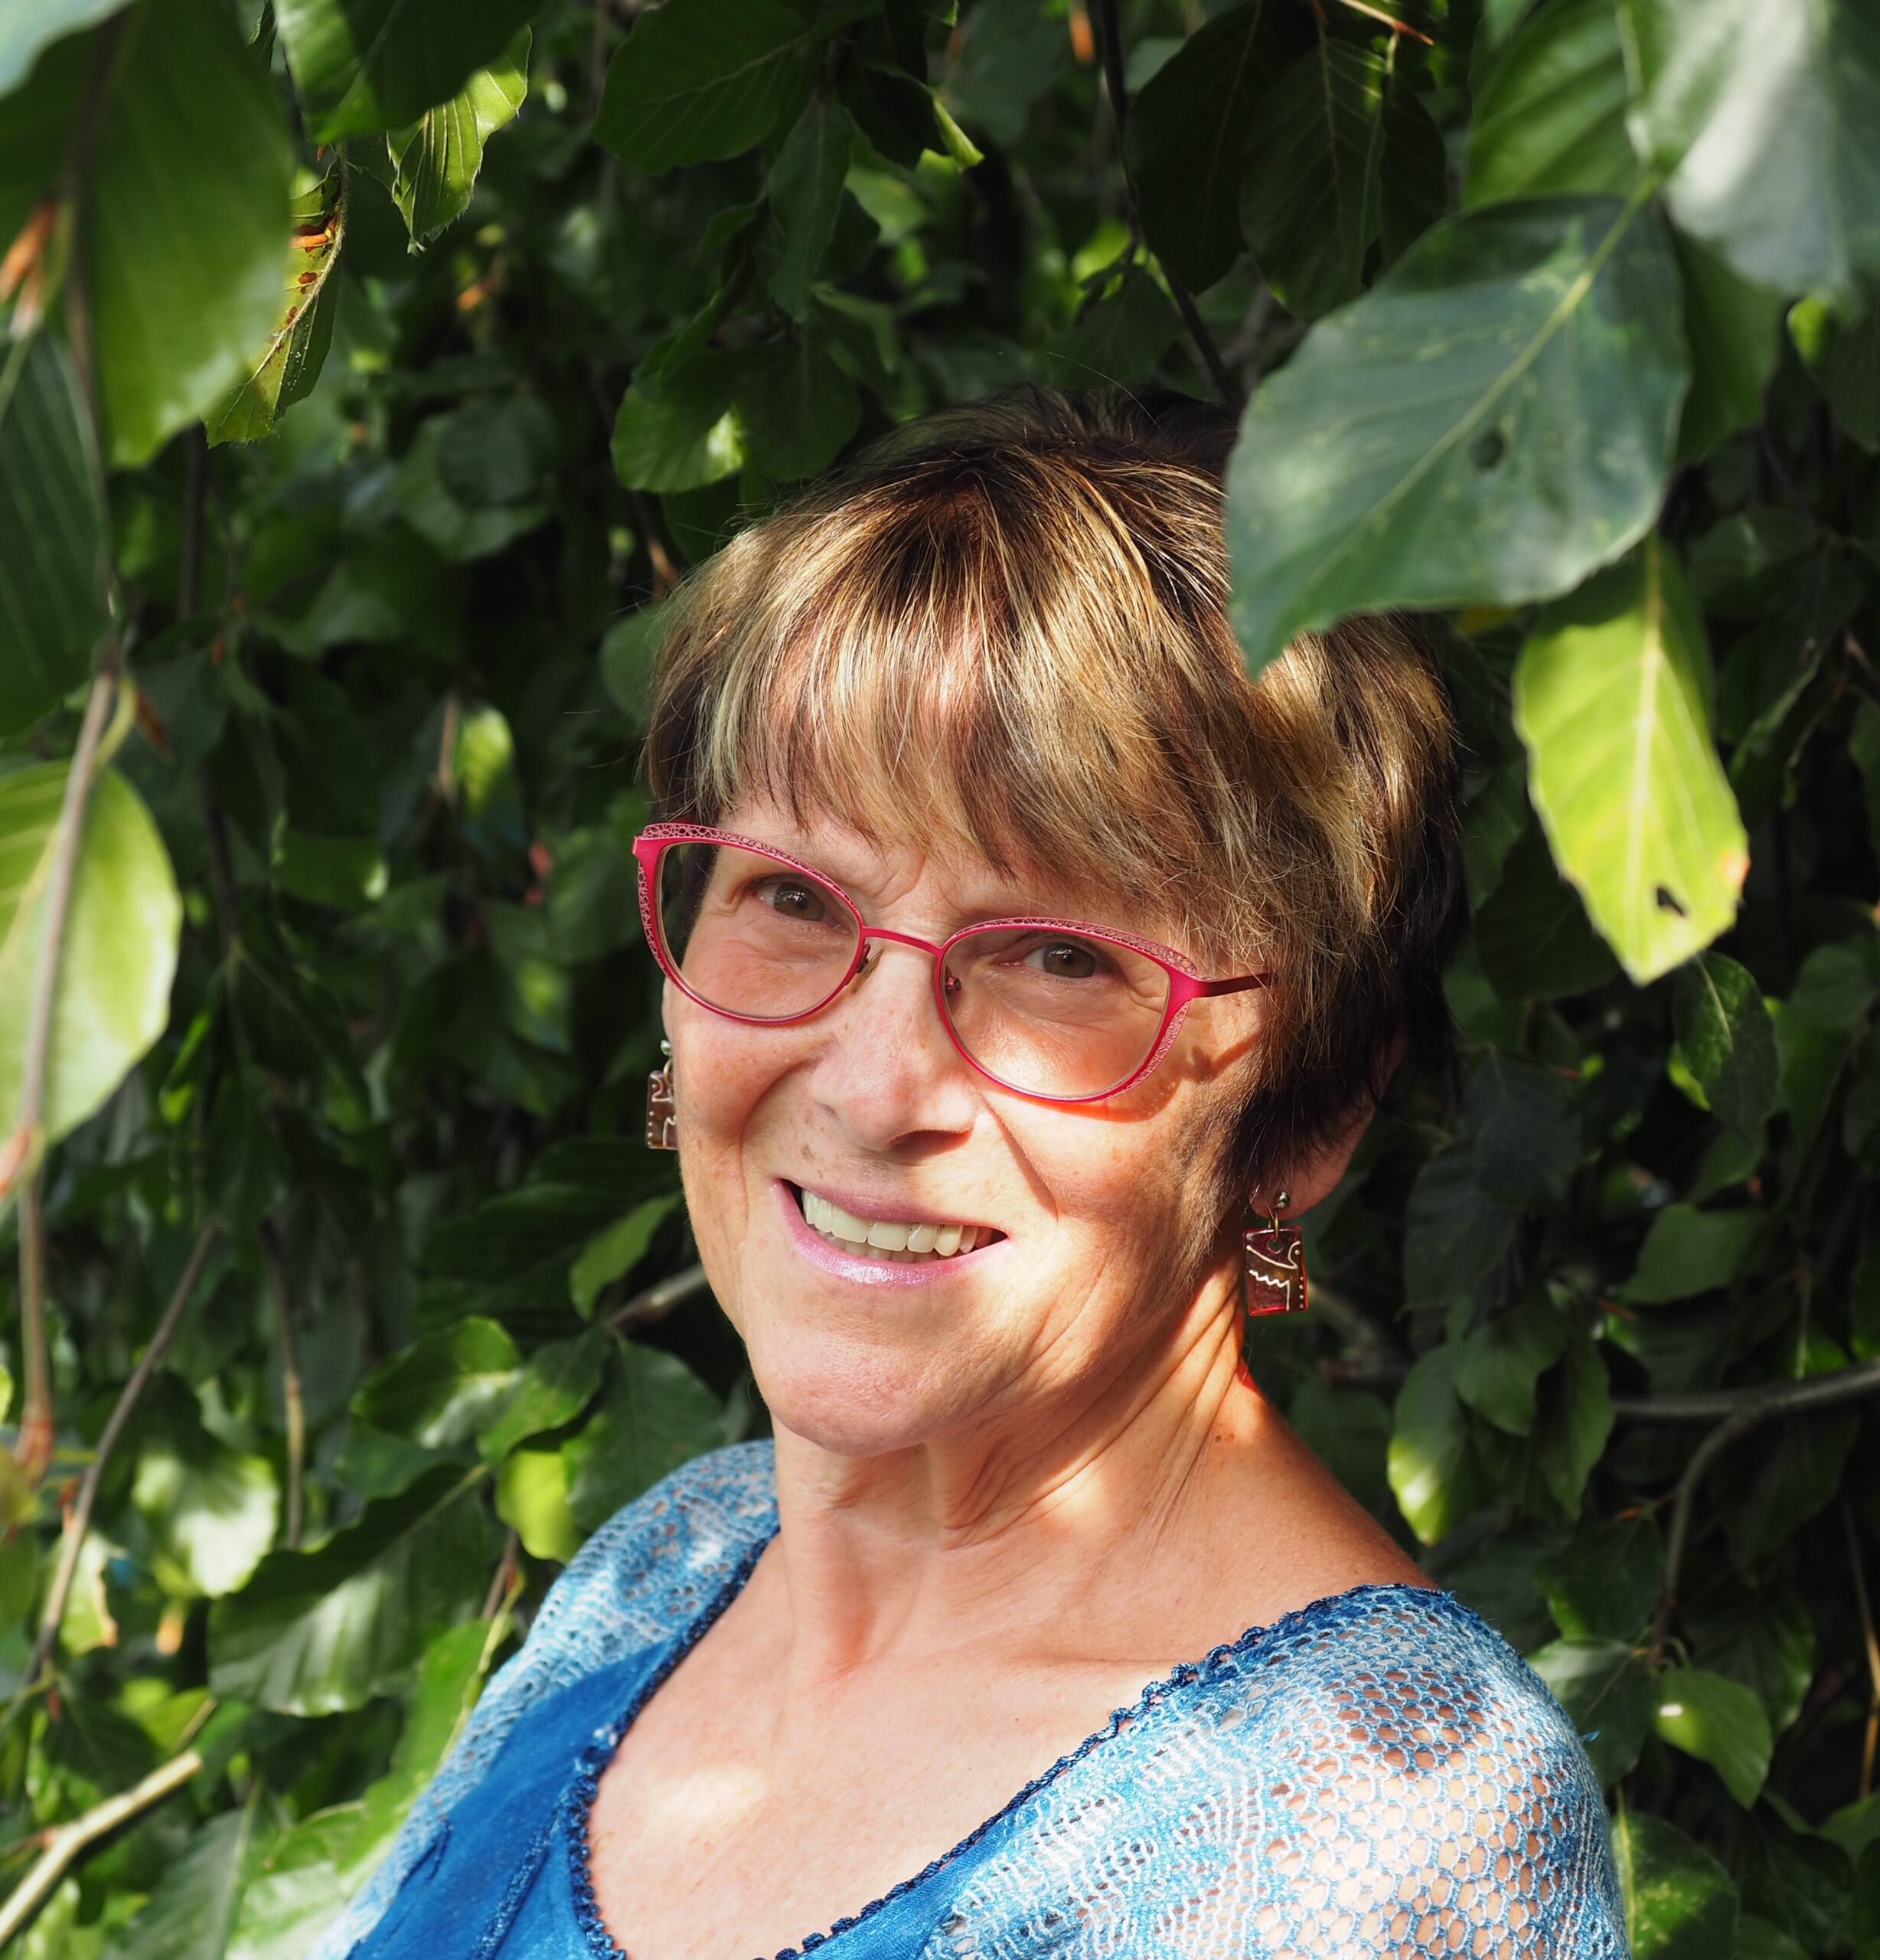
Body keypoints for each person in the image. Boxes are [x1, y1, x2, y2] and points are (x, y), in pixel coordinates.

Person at [318, 388, 1630, 1959]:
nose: (873, 1087)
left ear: (1312, 1110)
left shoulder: (1383, 1817)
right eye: (793, 897)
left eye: (1060, 957)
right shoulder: (671, 1565)